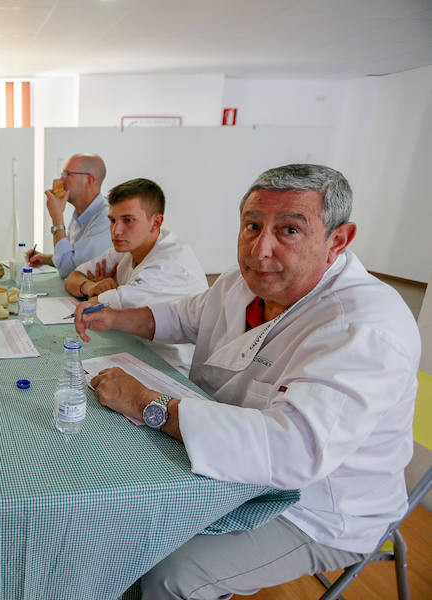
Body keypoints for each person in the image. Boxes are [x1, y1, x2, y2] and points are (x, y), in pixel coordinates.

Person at [74, 164, 420, 599]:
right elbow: (181, 317)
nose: (260, 249)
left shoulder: (365, 327)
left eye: (289, 230)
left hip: (315, 508)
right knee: (114, 513)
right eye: (252, 226)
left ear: (338, 240)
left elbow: (293, 450)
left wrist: (147, 402)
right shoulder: (242, 284)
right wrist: (116, 317)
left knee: (169, 572)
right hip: (228, 471)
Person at [65, 178, 207, 374]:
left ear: (156, 222)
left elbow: (93, 307)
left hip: (171, 370)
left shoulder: (168, 265)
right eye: (113, 220)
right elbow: (73, 278)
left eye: (128, 220)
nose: (116, 231)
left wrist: (100, 293)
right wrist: (91, 286)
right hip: (132, 347)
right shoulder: (129, 246)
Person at [26, 153, 112, 278]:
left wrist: (57, 217)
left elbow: (68, 271)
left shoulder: (105, 219)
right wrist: (46, 259)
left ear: (89, 180)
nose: (61, 180)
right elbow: (75, 259)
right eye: (62, 174)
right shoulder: (80, 213)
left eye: (68, 174)